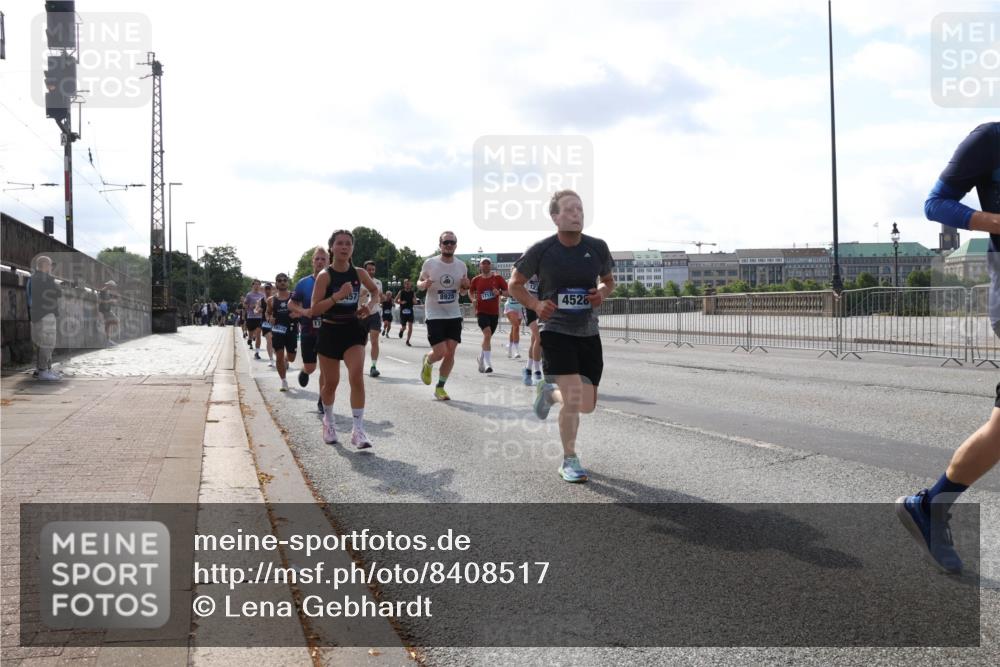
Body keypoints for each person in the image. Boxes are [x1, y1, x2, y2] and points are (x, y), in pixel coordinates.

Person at [896, 122, 1000, 573]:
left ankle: (932, 505)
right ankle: (932, 504)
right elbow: (935, 203)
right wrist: (992, 221)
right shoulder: (990, 140)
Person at [509, 190, 615, 483]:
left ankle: (548, 392)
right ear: (555, 217)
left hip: (588, 332)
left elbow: (609, 281)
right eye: (569, 210)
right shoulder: (542, 250)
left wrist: (601, 294)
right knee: (575, 396)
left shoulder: (597, 248)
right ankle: (569, 459)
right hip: (555, 330)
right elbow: (514, 284)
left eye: (579, 209)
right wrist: (535, 304)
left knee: (587, 404)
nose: (576, 214)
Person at [307, 229, 380, 449]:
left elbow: (376, 292)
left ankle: (358, 430)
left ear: (352, 248)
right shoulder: (325, 276)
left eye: (348, 243)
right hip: (330, 331)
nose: (344, 247)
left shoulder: (358, 273)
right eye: (340, 243)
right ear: (332, 248)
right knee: (331, 383)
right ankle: (328, 420)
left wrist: (368, 306)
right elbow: (314, 310)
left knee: (356, 376)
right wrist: (337, 296)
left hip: (352, 330)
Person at [418, 231, 470, 400]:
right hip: (434, 313)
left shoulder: (461, 266)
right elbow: (419, 284)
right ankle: (428, 361)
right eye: (445, 242)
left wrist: (465, 286)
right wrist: (424, 284)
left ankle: (440, 387)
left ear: (456, 245)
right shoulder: (430, 263)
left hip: (453, 313)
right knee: (440, 352)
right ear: (439, 245)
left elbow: (462, 291)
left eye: (452, 242)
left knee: (450, 353)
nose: (449, 245)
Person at [289, 247, 330, 414]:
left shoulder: (332, 281)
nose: (320, 262)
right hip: (308, 329)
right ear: (313, 261)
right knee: (312, 367)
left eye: (323, 259)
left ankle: (322, 400)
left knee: (326, 368)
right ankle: (305, 371)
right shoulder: (303, 283)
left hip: (328, 329)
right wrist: (303, 311)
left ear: (328, 262)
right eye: (317, 259)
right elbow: (291, 304)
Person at [469, 258, 507, 373]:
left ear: (491, 266)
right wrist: (473, 299)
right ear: (480, 266)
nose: (485, 266)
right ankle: (487, 363)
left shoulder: (498, 278)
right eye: (483, 264)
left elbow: (508, 292)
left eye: (488, 264)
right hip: (481, 312)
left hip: (494, 313)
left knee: (487, 338)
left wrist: (499, 292)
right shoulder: (476, 280)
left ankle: (481, 358)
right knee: (487, 333)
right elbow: (470, 292)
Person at [28, 255, 62, 381]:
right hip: (46, 314)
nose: (51, 267)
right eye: (50, 265)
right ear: (45, 265)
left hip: (36, 314)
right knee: (48, 343)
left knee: (40, 343)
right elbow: (59, 293)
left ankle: (40, 370)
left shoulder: (33, 278)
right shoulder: (46, 279)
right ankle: (43, 371)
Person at [266, 273, 299, 392]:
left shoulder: (294, 296)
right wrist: (270, 319)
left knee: (291, 358)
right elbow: (268, 313)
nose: (282, 282)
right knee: (278, 356)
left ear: (288, 282)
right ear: (276, 283)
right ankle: (284, 381)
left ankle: (286, 360)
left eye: (284, 280)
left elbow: (301, 309)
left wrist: (297, 314)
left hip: (291, 329)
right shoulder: (271, 300)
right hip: (278, 330)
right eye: (279, 280)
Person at [358, 260, 384, 377]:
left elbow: (380, 298)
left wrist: (382, 297)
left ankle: (373, 366)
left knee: (374, 340)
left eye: (373, 269)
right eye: (369, 269)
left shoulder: (378, 282)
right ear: (364, 270)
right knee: (362, 342)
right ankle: (359, 365)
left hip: (374, 314)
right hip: (362, 314)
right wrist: (361, 294)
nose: (371, 271)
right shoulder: (358, 282)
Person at [522, 273, 544, 385]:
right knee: (538, 338)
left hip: (541, 307)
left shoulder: (546, 269)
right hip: (529, 307)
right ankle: (537, 372)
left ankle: (527, 369)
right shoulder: (528, 270)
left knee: (534, 339)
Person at [244, 280, 265, 359]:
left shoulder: (262, 295)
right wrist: (250, 306)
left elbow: (264, 305)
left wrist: (261, 309)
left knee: (258, 335)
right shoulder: (249, 295)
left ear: (260, 286)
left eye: (258, 285)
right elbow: (245, 305)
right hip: (251, 317)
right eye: (255, 285)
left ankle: (257, 353)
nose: (256, 286)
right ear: (252, 286)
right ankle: (249, 338)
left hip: (259, 317)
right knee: (251, 333)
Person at [503, 289, 524, 358]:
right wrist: (505, 294)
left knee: (514, 328)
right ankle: (516, 351)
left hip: (520, 308)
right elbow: (503, 292)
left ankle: (509, 347)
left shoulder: (524, 283)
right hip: (510, 307)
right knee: (516, 326)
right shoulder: (509, 282)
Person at [396, 278, 417, 345]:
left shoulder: (412, 292)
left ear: (410, 284)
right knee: (404, 327)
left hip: (410, 311)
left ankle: (407, 341)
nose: (407, 285)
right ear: (404, 284)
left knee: (410, 326)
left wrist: (414, 301)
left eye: (409, 283)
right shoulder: (401, 292)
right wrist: (401, 302)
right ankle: (401, 331)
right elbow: (395, 300)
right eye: (406, 283)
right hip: (403, 312)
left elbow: (415, 302)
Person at [98, 280, 120, 345]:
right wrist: (110, 301)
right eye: (112, 286)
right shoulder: (102, 291)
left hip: (108, 310)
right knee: (116, 321)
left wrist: (113, 302)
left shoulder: (108, 292)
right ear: (109, 285)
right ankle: (108, 340)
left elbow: (107, 300)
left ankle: (108, 341)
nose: (113, 288)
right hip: (104, 311)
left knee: (108, 325)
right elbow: (100, 301)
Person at [261, 283, 276, 367]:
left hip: (275, 322)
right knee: (269, 339)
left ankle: (280, 358)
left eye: (269, 289)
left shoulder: (275, 299)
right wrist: (257, 310)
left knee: (275, 341)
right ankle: (271, 359)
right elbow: (256, 308)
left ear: (272, 289)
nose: (267, 290)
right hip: (265, 322)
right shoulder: (261, 300)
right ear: (263, 290)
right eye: (266, 289)